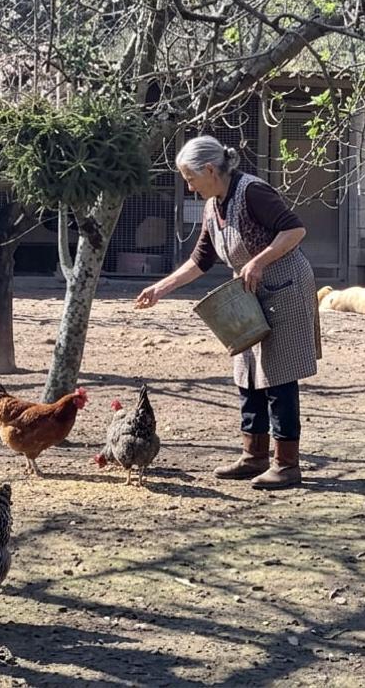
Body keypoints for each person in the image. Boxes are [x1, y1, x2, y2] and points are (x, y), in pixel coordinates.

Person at [135, 136, 319, 489]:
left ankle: (287, 464)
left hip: (286, 285)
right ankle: (254, 456)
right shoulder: (212, 206)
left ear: (208, 169)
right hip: (249, 293)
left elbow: (295, 229)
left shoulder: (252, 192)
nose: (188, 186)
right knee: (246, 371)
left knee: (278, 375)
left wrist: (260, 261)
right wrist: (160, 289)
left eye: (190, 178)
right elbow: (199, 261)